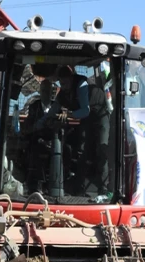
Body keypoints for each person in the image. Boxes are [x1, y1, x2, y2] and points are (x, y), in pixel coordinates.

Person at [40, 65, 111, 196]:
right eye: (61, 83)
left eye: (66, 83)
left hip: (100, 115)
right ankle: (79, 189)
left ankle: (105, 190)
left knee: (102, 150)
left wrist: (69, 115)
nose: (64, 86)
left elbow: (85, 110)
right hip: (87, 119)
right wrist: (39, 124)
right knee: (82, 151)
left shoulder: (82, 85)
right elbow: (52, 111)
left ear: (72, 78)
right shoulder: (63, 94)